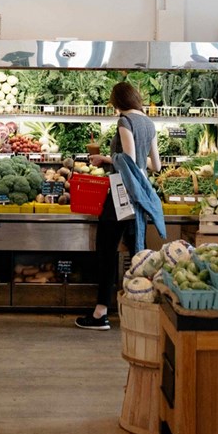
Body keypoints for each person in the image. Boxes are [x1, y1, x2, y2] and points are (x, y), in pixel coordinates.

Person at [75, 81, 161, 331]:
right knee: (138, 252)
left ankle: (101, 313)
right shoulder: (148, 122)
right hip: (141, 195)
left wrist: (105, 158)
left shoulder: (125, 121)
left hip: (120, 194)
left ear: (117, 101)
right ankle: (139, 310)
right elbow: (155, 166)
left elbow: (129, 160)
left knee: (106, 251)